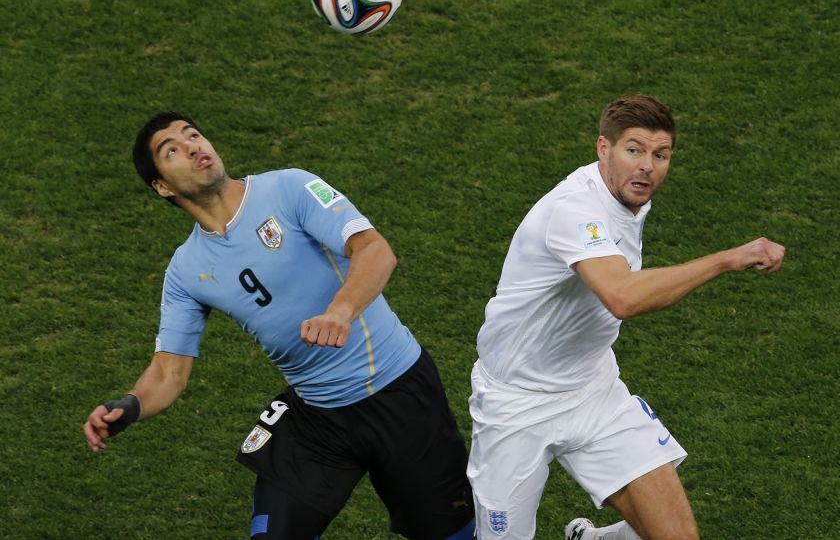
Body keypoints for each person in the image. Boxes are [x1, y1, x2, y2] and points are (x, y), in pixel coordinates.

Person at [83, 112, 475, 540]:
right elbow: (168, 372)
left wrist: (339, 311)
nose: (194, 146)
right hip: (316, 419)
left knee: (452, 534)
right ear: (162, 186)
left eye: (194, 134)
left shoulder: (288, 187)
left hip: (400, 394)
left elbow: (375, 250)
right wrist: (131, 406)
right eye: (172, 149)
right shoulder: (186, 270)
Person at [466, 94, 785, 540]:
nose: (647, 167)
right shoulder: (574, 210)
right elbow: (622, 297)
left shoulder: (630, 199)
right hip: (516, 404)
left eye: (661, 155)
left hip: (594, 391)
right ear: (603, 148)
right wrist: (728, 259)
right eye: (633, 150)